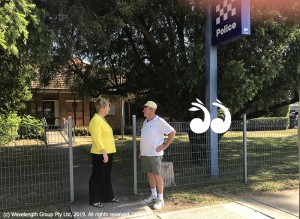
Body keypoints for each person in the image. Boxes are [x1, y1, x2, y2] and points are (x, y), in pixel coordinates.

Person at [139, 101, 176, 210]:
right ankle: (154, 195)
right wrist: (141, 151)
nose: (143, 110)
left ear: (151, 109)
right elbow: (145, 137)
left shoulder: (159, 121)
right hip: (145, 154)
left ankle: (161, 199)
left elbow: (172, 132)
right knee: (150, 174)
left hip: (155, 155)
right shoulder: (146, 121)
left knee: (157, 175)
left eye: (145, 108)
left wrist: (165, 145)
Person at [88, 96, 119, 208]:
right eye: (108, 107)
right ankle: (94, 200)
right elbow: (97, 138)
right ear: (102, 107)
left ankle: (108, 197)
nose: (109, 109)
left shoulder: (102, 119)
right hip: (100, 153)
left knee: (106, 176)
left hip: (108, 152)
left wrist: (107, 152)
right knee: (97, 176)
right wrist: (104, 152)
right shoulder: (95, 120)